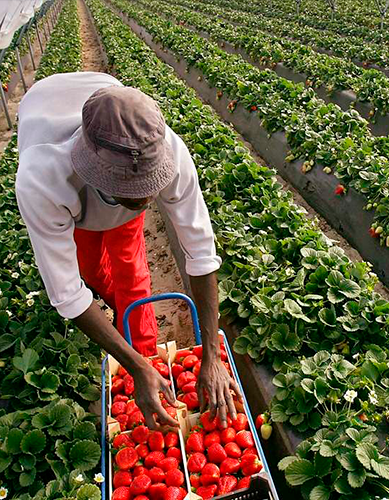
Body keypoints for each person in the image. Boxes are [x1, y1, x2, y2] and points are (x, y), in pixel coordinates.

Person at [15, 72, 240, 428]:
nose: (144, 200)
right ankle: (130, 339)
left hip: (104, 103)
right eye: (128, 192)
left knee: (130, 268)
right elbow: (67, 293)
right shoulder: (42, 179)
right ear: (94, 173)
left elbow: (200, 250)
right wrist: (131, 366)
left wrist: (212, 356)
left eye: (149, 187)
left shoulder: (167, 151)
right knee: (87, 269)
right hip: (46, 115)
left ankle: (145, 345)